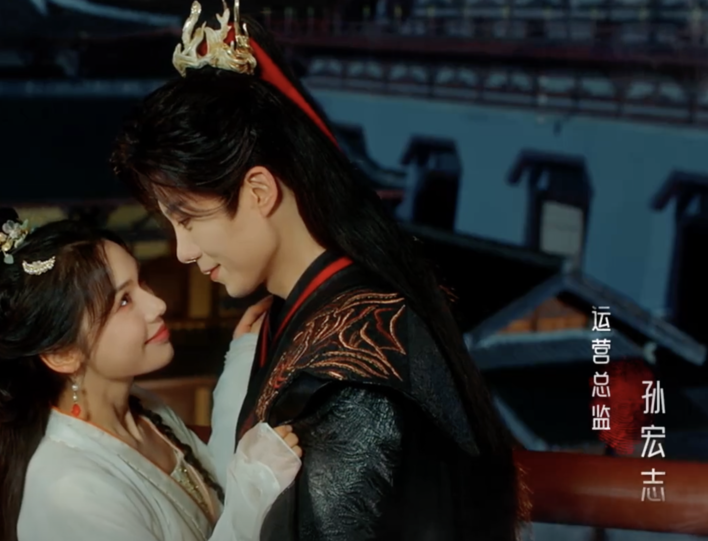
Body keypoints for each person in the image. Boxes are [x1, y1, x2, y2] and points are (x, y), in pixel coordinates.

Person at [110, 2, 528, 540]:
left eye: (188, 219)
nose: (183, 251)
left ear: (258, 191)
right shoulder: (308, 314)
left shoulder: (350, 383)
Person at [0, 208, 302, 541]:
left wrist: (241, 360)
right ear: (62, 353)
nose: (158, 305)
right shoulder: (69, 490)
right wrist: (257, 485)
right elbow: (237, 502)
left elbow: (218, 496)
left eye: (141, 283)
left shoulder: (142, 409)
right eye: (123, 301)